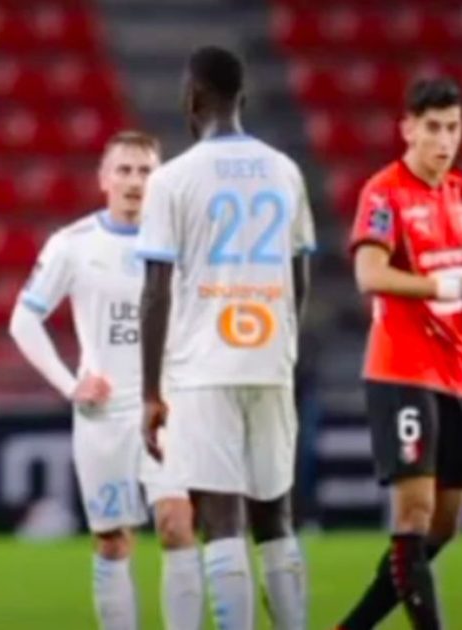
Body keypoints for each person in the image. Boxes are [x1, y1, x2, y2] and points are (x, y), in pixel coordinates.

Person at [136, 46, 315, 630]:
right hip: (270, 361)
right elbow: (299, 274)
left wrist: (149, 392)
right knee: (276, 517)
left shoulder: (173, 180)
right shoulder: (285, 170)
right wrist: (283, 343)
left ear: (191, 98)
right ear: (244, 99)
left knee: (220, 518)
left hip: (205, 367)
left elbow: (156, 291)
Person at [9, 130, 203, 629]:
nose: (135, 181)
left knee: (177, 525)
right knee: (113, 540)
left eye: (146, 171)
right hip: (103, 415)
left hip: (169, 407)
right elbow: (23, 320)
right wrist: (68, 384)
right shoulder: (73, 244)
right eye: (125, 170)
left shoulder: (183, 242)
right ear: (104, 179)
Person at [338, 77, 462, 630]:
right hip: (401, 369)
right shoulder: (384, 191)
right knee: (412, 513)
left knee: (444, 524)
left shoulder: (460, 195)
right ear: (407, 129)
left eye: (453, 128)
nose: (443, 140)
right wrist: (439, 286)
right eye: (432, 128)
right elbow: (369, 273)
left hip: (454, 375)